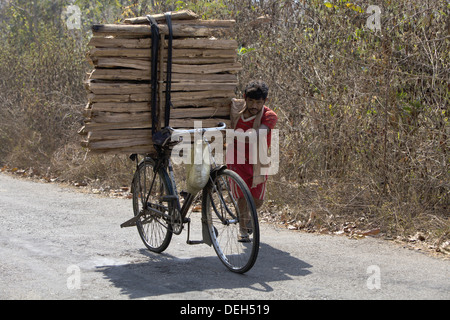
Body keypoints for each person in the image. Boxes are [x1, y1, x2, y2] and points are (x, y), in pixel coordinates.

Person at [227, 80, 278, 242]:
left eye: (258, 102)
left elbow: (258, 135)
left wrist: (235, 135)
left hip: (258, 160)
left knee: (257, 200)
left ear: (265, 102)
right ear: (244, 98)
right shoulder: (236, 109)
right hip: (236, 158)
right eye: (251, 101)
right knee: (242, 196)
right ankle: (242, 230)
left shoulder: (269, 116)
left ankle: (246, 215)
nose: (254, 105)